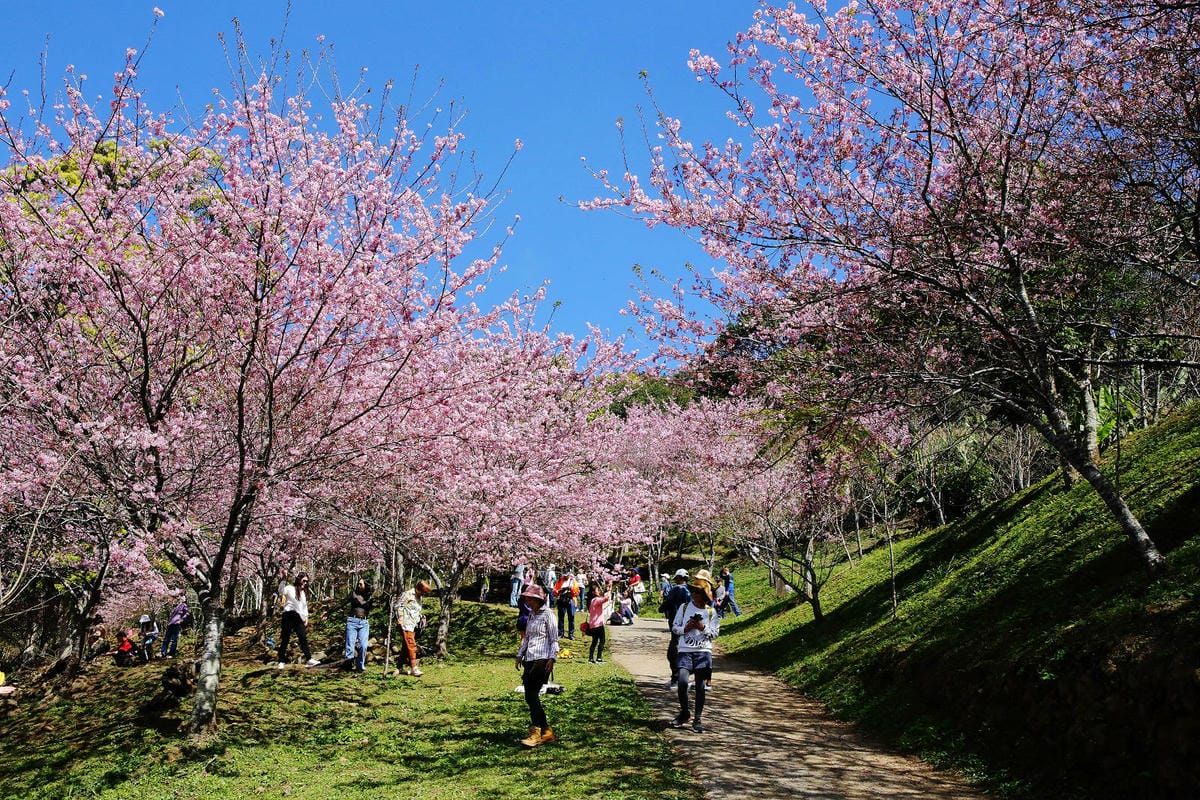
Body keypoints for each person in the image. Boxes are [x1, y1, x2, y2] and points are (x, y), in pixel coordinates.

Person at [670, 568, 720, 733]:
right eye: (693, 591)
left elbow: (715, 633)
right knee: (682, 682)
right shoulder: (684, 608)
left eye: (697, 592)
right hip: (685, 650)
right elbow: (675, 627)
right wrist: (685, 628)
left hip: (703, 652)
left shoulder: (711, 612)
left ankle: (697, 719)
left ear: (704, 595)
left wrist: (702, 627)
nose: (693, 594)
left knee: (700, 687)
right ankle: (685, 712)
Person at [514, 584, 558, 747]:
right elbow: (527, 638)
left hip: (543, 659)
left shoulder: (548, 615)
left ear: (537, 599)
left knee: (531, 694)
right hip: (530, 658)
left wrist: (552, 659)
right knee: (530, 695)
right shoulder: (531, 615)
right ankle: (547, 731)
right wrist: (520, 655)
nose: (527, 601)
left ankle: (536, 731)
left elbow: (554, 639)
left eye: (529, 598)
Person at [278, 572, 320, 667]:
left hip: (298, 617)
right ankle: (281, 661)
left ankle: (309, 659)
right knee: (285, 638)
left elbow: (304, 607)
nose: (305, 583)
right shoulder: (290, 588)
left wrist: (306, 618)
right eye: (304, 580)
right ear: (299, 580)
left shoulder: (303, 593)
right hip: (288, 615)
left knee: (303, 637)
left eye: (307, 582)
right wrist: (284, 579)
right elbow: (280, 591)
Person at [658, 568, 691, 690]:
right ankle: (681, 678)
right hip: (688, 625)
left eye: (676, 578)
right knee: (683, 649)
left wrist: (661, 608)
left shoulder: (676, 589)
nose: (675, 580)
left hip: (676, 624)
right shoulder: (690, 591)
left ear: (679, 578)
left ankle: (677, 679)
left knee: (674, 651)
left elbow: (667, 603)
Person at [396, 580, 431, 677]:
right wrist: (400, 618)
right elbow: (397, 606)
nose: (423, 594)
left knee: (406, 646)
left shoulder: (420, 597)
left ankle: (399, 667)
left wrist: (421, 617)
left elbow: (416, 610)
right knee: (411, 645)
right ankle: (414, 668)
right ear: (418, 589)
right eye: (423, 592)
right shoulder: (407, 594)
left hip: (413, 625)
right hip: (405, 623)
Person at [340, 578, 373, 672]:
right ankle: (348, 666)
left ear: (366, 585)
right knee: (350, 645)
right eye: (358, 584)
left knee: (363, 645)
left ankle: (360, 666)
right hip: (352, 621)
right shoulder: (353, 594)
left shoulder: (370, 598)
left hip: (364, 623)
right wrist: (329, 612)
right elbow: (342, 604)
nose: (359, 586)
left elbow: (368, 611)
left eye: (361, 584)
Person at [585, 583, 611, 663]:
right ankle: (599, 658)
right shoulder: (596, 600)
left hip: (592, 625)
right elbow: (606, 598)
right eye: (597, 590)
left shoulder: (592, 601)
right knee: (602, 641)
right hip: (598, 625)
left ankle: (590, 658)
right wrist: (609, 589)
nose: (599, 591)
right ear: (593, 592)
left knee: (594, 642)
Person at [553, 570, 580, 639]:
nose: (565, 576)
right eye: (564, 575)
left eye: (567, 575)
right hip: (562, 599)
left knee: (571, 617)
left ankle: (571, 634)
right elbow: (555, 590)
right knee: (561, 617)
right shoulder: (559, 580)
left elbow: (576, 592)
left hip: (571, 600)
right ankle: (560, 633)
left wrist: (571, 589)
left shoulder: (573, 581)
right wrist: (559, 591)